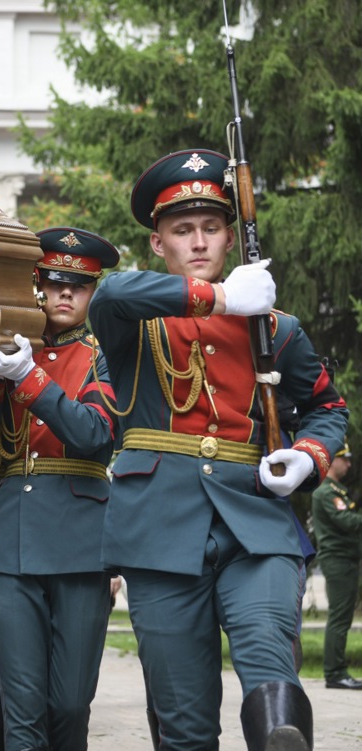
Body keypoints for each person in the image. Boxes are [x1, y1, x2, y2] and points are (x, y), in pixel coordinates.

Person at [89, 148, 348, 751]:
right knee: (184, 717)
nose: (199, 242)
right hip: (159, 529)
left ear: (231, 237)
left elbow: (327, 408)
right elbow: (109, 296)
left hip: (254, 520)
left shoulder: (276, 329)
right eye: (182, 231)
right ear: (159, 245)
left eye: (211, 228)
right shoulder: (137, 324)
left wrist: (307, 456)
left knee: (265, 645)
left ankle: (282, 738)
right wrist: (222, 300)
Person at [0, 227, 120, 751]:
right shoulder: (9, 357)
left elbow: (94, 433)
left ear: (92, 293)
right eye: (53, 283)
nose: (64, 294)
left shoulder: (102, 356)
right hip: (10, 545)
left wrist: (27, 378)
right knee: (19, 711)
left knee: (69, 706)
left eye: (78, 285)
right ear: (36, 288)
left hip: (80, 542)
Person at [311, 442, 362, 689]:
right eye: (346, 459)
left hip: (347, 559)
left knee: (342, 617)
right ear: (333, 461)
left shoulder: (337, 491)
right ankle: (335, 673)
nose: (349, 464)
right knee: (339, 618)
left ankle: (337, 671)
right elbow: (347, 521)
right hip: (338, 560)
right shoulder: (325, 492)